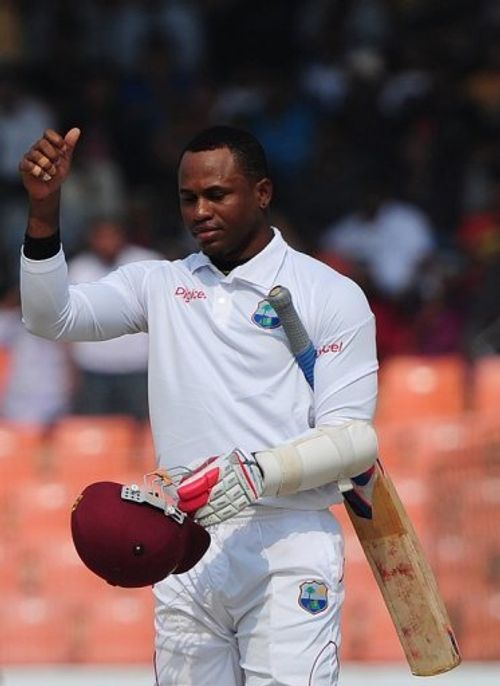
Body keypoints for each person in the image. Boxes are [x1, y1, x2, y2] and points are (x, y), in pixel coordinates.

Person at [18, 125, 379, 686]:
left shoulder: (327, 293)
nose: (200, 211)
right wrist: (44, 212)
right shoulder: (161, 284)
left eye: (218, 194)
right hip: (187, 547)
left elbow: (354, 440)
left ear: (262, 193)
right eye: (189, 198)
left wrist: (259, 473)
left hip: (288, 543)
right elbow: (50, 317)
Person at [67, 216, 161, 420]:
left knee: (146, 429)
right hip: (94, 368)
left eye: (111, 236)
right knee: (95, 432)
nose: (107, 242)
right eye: (101, 237)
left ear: (123, 236)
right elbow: (67, 326)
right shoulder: (77, 269)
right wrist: (70, 370)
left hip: (139, 366)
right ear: (91, 239)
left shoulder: (149, 263)